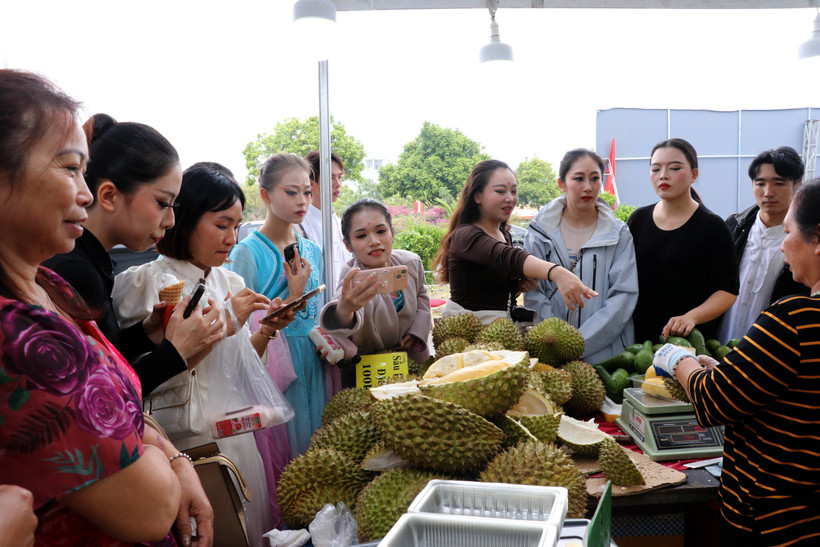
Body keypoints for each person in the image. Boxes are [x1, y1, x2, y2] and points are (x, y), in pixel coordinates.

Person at [0, 68, 213, 547]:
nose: (85, 191)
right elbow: (150, 507)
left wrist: (164, 452)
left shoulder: (48, 284)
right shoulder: (21, 334)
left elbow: (114, 395)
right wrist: (160, 456)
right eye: (71, 168)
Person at [112, 164, 296, 546]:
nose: (231, 238)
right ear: (185, 219)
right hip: (180, 449)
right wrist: (227, 320)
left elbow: (240, 365)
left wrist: (265, 329)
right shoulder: (144, 283)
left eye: (237, 225)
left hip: (237, 442)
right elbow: (136, 375)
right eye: (221, 224)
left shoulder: (230, 282)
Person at [653, 179, 820, 545]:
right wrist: (728, 372)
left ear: (817, 239)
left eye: (788, 232)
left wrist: (678, 360)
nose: (785, 245)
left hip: (776, 519)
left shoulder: (793, 319)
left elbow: (715, 400)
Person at [44, 114, 223, 396]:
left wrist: (145, 334)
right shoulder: (74, 271)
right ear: (109, 196)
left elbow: (102, 361)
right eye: (162, 203)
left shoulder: (89, 261)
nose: (171, 221)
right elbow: (97, 400)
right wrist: (176, 353)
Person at [227, 153, 328, 459]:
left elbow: (317, 313)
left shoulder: (313, 249)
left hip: (314, 360)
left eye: (307, 192)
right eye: (291, 192)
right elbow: (242, 326)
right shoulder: (247, 252)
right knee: (285, 453)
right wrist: (293, 295)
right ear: (265, 195)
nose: (303, 201)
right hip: (275, 366)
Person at [432, 159, 596, 326]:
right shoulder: (466, 235)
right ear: (477, 196)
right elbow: (508, 257)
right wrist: (557, 272)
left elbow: (492, 290)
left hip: (500, 329)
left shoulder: (504, 233)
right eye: (500, 191)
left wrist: (519, 286)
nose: (510, 198)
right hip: (467, 332)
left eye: (514, 191)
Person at [524, 149, 637, 363]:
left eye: (595, 178)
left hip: (605, 356)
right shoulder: (539, 232)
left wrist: (579, 344)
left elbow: (623, 297)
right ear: (562, 183)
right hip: (551, 351)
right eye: (578, 178)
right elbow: (533, 292)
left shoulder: (618, 233)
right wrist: (556, 340)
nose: (588, 187)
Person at [627, 138, 739, 342]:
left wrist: (691, 317)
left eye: (674, 168)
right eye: (655, 169)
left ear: (694, 174)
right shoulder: (638, 220)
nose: (663, 175)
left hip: (691, 341)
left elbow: (728, 290)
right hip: (638, 341)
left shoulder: (713, 227)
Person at [319, 198, 431, 386]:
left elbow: (421, 295)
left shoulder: (410, 263)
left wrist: (417, 331)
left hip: (414, 368)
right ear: (348, 245)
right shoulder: (352, 277)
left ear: (392, 233)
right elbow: (343, 310)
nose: (374, 241)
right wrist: (345, 310)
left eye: (381, 231)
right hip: (369, 377)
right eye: (361, 236)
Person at [718, 146, 809, 341]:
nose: (768, 192)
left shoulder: (806, 240)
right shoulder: (734, 226)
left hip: (772, 352)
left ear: (797, 185)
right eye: (760, 183)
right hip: (717, 346)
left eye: (778, 183)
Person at [301, 150, 352, 295]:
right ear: (311, 182)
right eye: (330, 177)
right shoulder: (300, 227)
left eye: (340, 177)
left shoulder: (343, 225)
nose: (338, 184)